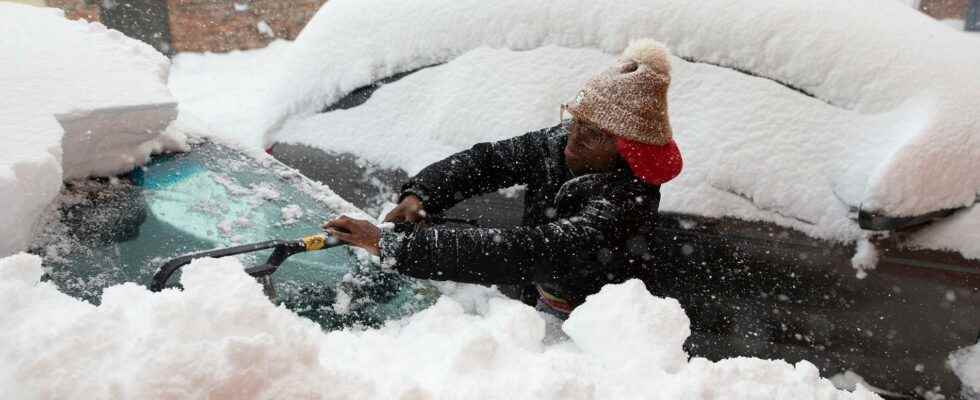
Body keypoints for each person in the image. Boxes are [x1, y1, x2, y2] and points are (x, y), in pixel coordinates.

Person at [324, 38, 683, 316]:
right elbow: (489, 161)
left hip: (602, 329)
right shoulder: (560, 143)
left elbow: (530, 250)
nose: (574, 138)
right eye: (575, 121)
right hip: (542, 305)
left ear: (627, 148)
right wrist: (421, 195)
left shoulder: (626, 200)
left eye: (594, 134)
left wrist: (395, 247)